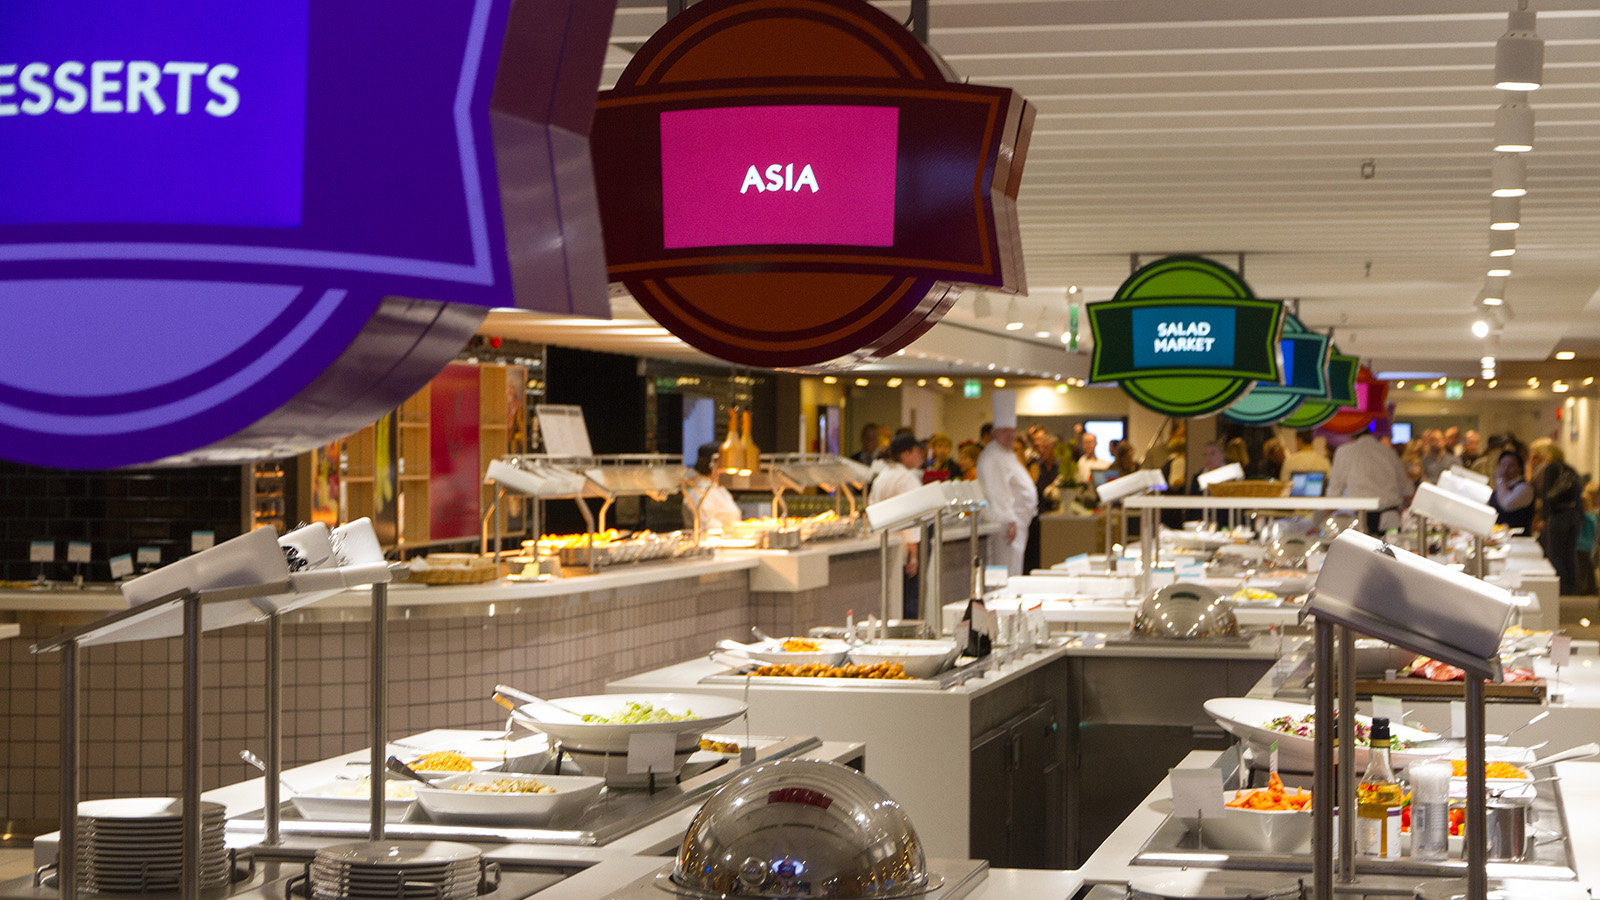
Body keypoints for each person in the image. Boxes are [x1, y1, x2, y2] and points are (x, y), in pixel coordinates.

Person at [868, 433, 927, 617]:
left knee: (891, 602)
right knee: (908, 602)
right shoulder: (906, 478)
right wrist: (914, 554)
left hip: (885, 545)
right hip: (903, 547)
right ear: (906, 453)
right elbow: (912, 516)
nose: (920, 456)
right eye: (917, 451)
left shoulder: (883, 476)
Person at [1328, 423, 1414, 533]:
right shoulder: (1388, 452)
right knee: (1388, 544)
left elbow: (1334, 492)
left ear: (1350, 433)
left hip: (1360, 520)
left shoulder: (1344, 452)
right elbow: (1407, 489)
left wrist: (1321, 518)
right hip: (1390, 520)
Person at [978, 424, 1038, 576]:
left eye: (1013, 431)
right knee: (1004, 569)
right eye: (1006, 431)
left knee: (1013, 567)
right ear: (996, 433)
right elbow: (996, 490)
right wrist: (1008, 518)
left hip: (1017, 522)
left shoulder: (1005, 454)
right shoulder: (992, 456)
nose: (1011, 435)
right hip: (1006, 525)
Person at [1530, 440, 1583, 595]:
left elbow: (1546, 495)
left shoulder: (1551, 468)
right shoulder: (1570, 469)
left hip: (1558, 515)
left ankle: (1559, 590)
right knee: (1570, 554)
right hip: (1573, 515)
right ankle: (1571, 589)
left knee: (1556, 554)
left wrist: (1544, 519)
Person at [682, 443, 743, 531]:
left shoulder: (716, 486)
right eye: (727, 460)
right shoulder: (699, 489)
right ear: (715, 462)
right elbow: (706, 526)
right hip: (709, 538)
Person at [1489, 449, 1534, 534]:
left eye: (1511, 466)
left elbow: (1506, 504)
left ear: (1520, 468)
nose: (1505, 469)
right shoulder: (1502, 486)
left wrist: (1501, 480)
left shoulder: (1525, 487)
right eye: (1503, 465)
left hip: (1518, 538)